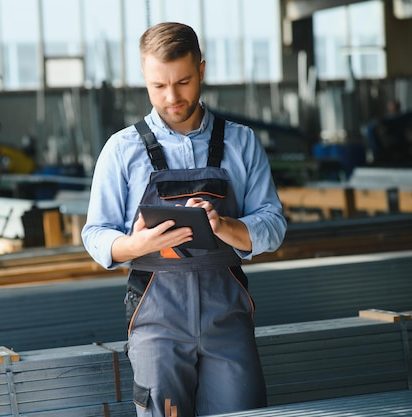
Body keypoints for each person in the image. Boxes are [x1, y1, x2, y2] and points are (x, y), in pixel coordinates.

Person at [81, 22, 287, 417]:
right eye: (158, 86)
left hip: (227, 317)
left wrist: (225, 227)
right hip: (157, 321)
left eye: (184, 81)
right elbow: (96, 233)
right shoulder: (121, 150)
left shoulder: (241, 142)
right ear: (144, 78)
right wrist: (135, 245)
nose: (172, 97)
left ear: (203, 70)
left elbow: (273, 224)